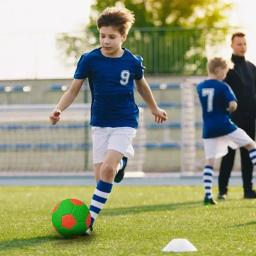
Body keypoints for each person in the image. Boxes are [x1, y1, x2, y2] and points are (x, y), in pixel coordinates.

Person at [49, 6, 167, 233]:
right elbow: (73, 90)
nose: (106, 41)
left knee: (107, 171)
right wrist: (59, 109)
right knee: (101, 177)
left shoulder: (132, 61)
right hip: (100, 124)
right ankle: (121, 164)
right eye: (102, 36)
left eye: (112, 37)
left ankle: (89, 221)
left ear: (123, 36)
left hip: (125, 121)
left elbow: (141, 85)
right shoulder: (89, 60)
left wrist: (154, 107)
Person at [196, 57, 256, 205]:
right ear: (218, 70)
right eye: (225, 71)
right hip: (224, 124)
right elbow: (233, 105)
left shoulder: (200, 86)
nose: (226, 75)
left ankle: (208, 195)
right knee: (251, 144)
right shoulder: (223, 86)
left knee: (210, 161)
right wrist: (229, 108)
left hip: (208, 128)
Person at [218, 32, 256, 200]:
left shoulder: (252, 67)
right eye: (239, 44)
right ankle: (222, 191)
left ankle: (248, 190)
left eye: (244, 44)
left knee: (248, 156)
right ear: (232, 45)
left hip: (249, 120)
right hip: (231, 121)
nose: (242, 47)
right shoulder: (226, 68)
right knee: (228, 156)